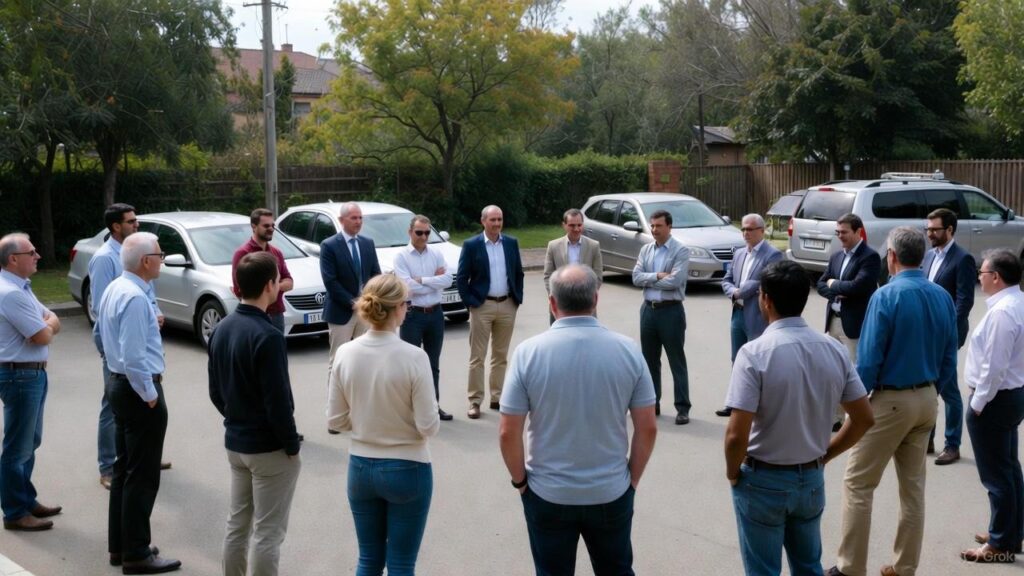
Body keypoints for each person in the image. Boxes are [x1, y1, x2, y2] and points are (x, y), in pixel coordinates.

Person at [499, 264, 657, 575]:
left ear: (552, 303)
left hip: (548, 492)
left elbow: (508, 432)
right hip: (610, 490)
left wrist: (521, 483)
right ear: (596, 299)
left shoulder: (528, 353)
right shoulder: (628, 350)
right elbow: (648, 427)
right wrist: (632, 481)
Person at [723, 260, 874, 575]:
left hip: (764, 479)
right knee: (808, 566)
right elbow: (863, 418)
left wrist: (733, 473)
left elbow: (736, 435)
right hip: (810, 479)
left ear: (765, 299)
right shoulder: (833, 349)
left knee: (763, 569)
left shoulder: (754, 353)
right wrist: (825, 455)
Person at [829, 227, 957, 576]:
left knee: (858, 483)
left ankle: (850, 567)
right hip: (927, 398)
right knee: (913, 490)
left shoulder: (885, 296)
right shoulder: (942, 296)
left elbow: (868, 361)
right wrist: (932, 390)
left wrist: (853, 408)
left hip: (891, 400)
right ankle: (904, 568)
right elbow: (950, 356)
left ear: (892, 256)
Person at [327, 274, 440, 576]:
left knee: (368, 560)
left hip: (361, 467)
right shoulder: (414, 357)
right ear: (399, 308)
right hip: (408, 466)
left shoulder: (345, 352)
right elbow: (428, 426)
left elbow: (335, 419)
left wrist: (366, 421)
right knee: (401, 563)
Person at [209, 252, 302, 576]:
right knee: (268, 532)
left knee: (237, 524)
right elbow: (278, 402)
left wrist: (236, 418)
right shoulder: (268, 335)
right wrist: (291, 444)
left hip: (236, 443)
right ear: (269, 286)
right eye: (277, 280)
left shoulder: (221, 328)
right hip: (267, 449)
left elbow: (215, 392)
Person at [97, 232, 181, 574]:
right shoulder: (133, 296)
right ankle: (136, 552)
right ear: (146, 261)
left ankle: (121, 546)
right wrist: (149, 395)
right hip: (136, 390)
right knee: (142, 476)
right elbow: (133, 357)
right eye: (160, 255)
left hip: (120, 385)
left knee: (124, 469)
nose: (162, 260)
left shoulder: (117, 288)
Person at [90, 204, 169, 489]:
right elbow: (102, 308)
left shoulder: (137, 256)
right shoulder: (104, 259)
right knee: (113, 407)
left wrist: (153, 314)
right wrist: (149, 393)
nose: (136, 225)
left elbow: (147, 295)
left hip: (135, 334)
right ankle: (107, 466)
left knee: (131, 419)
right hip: (119, 347)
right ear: (116, 226)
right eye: (131, 221)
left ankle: (142, 454)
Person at [959, 249, 1024, 564]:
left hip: (995, 400)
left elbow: (994, 367)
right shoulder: (1017, 303)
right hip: (1011, 394)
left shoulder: (1003, 312)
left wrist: (978, 403)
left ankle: (1000, 544)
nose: (979, 278)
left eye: (982, 273)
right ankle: (1011, 532)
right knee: (1009, 469)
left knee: (997, 476)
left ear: (995, 277)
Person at [0, 233, 62, 532]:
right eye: (32, 252)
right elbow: (42, 334)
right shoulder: (10, 293)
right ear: (13, 259)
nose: (38, 256)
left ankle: (25, 499)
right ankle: (15, 512)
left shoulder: (21, 287)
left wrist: (46, 324)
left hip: (30, 373)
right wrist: (46, 325)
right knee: (18, 447)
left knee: (29, 442)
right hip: (21, 375)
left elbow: (51, 319)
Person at [456, 205, 524, 420]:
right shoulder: (471, 245)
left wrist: (517, 299)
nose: (496, 223)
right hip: (481, 306)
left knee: (500, 356)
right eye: (492, 219)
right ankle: (475, 401)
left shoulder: (511, 243)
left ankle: (497, 397)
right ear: (483, 221)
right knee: (477, 357)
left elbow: (518, 272)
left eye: (499, 219)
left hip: (507, 304)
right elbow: (462, 277)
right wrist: (471, 302)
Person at [320, 202, 381, 434]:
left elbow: (375, 274)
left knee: (362, 361)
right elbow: (330, 281)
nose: (358, 222)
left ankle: (360, 412)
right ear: (342, 220)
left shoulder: (367, 243)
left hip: (365, 312)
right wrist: (353, 302)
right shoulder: (329, 245)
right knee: (338, 362)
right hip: (341, 313)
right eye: (354, 218)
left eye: (360, 218)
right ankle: (334, 416)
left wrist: (369, 300)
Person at [816, 213, 880, 430]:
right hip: (833, 322)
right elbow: (820, 284)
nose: (840, 236)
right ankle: (835, 418)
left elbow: (858, 287)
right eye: (838, 232)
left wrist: (834, 284)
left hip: (854, 325)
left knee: (854, 374)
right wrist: (837, 291)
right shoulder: (836, 256)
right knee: (831, 371)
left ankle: (854, 420)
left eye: (844, 232)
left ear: (858, 231)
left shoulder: (870, 257)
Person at [716, 213, 783, 417]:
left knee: (759, 362)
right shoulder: (739, 253)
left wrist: (744, 289)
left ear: (762, 231)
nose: (746, 233)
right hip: (738, 313)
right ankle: (736, 402)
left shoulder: (772, 255)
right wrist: (735, 292)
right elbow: (726, 279)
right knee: (737, 359)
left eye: (750, 229)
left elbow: (766, 283)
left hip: (758, 315)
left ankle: (760, 405)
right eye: (743, 229)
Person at [922, 208, 975, 465]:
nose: (929, 233)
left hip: (947, 334)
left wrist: (946, 330)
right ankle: (928, 439)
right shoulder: (928, 255)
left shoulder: (963, 259)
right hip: (925, 333)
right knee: (929, 386)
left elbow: (964, 301)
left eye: (935, 229)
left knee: (948, 389)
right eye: (928, 229)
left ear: (950, 230)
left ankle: (952, 445)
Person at [632, 209, 691, 424]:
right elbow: (635, 277)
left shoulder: (680, 250)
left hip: (671, 311)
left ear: (669, 226)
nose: (655, 229)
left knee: (676, 360)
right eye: (652, 226)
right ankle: (652, 403)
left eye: (659, 226)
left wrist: (648, 280)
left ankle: (682, 407)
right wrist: (657, 275)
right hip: (648, 310)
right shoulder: (646, 249)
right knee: (649, 361)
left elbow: (675, 281)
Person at [394, 215, 454, 421]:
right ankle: (410, 410)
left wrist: (422, 280)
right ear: (410, 232)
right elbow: (407, 287)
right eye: (419, 232)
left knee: (432, 364)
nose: (423, 236)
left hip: (435, 314)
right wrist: (433, 281)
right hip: (412, 315)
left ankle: (433, 407)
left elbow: (448, 279)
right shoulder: (401, 256)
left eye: (427, 232)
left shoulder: (436, 253)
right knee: (410, 365)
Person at [231, 208, 294, 334]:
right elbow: (239, 289)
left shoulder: (276, 252)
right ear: (253, 226)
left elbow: (290, 282)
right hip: (254, 315)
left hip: (276, 315)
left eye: (272, 225)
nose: (271, 229)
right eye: (266, 226)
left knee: (276, 346)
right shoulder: (243, 253)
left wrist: (271, 286)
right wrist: (275, 286)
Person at [542, 208, 602, 323]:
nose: (576, 229)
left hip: (586, 306)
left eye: (579, 225)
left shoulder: (594, 246)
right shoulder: (553, 246)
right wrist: (557, 296)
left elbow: (597, 277)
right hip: (560, 305)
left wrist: (586, 296)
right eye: (572, 225)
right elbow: (548, 276)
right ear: (564, 225)